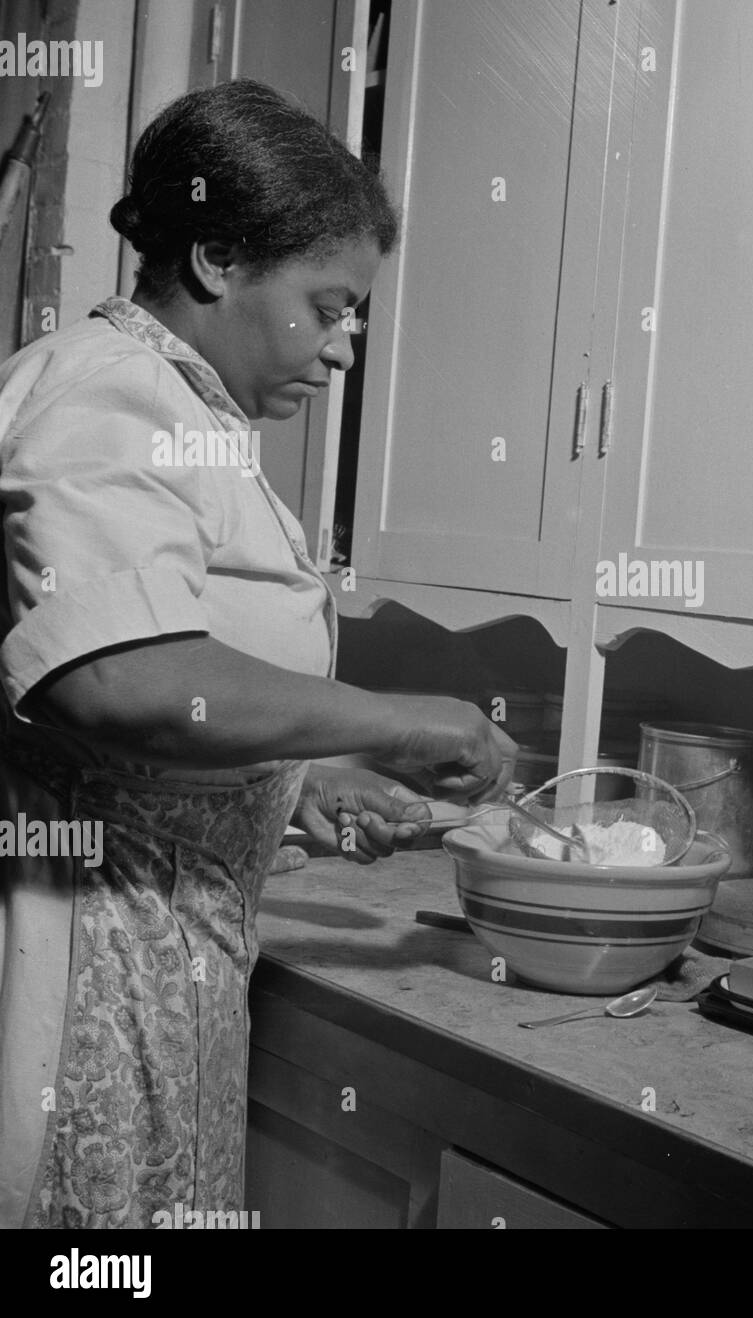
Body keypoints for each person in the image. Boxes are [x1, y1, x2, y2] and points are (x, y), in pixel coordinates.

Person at [0, 80, 514, 1228]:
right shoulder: (110, 398)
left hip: (153, 944)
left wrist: (290, 787)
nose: (339, 351)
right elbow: (115, 679)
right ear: (220, 258)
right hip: (88, 957)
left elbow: (160, 702)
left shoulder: (176, 410)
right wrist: (389, 715)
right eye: (326, 307)